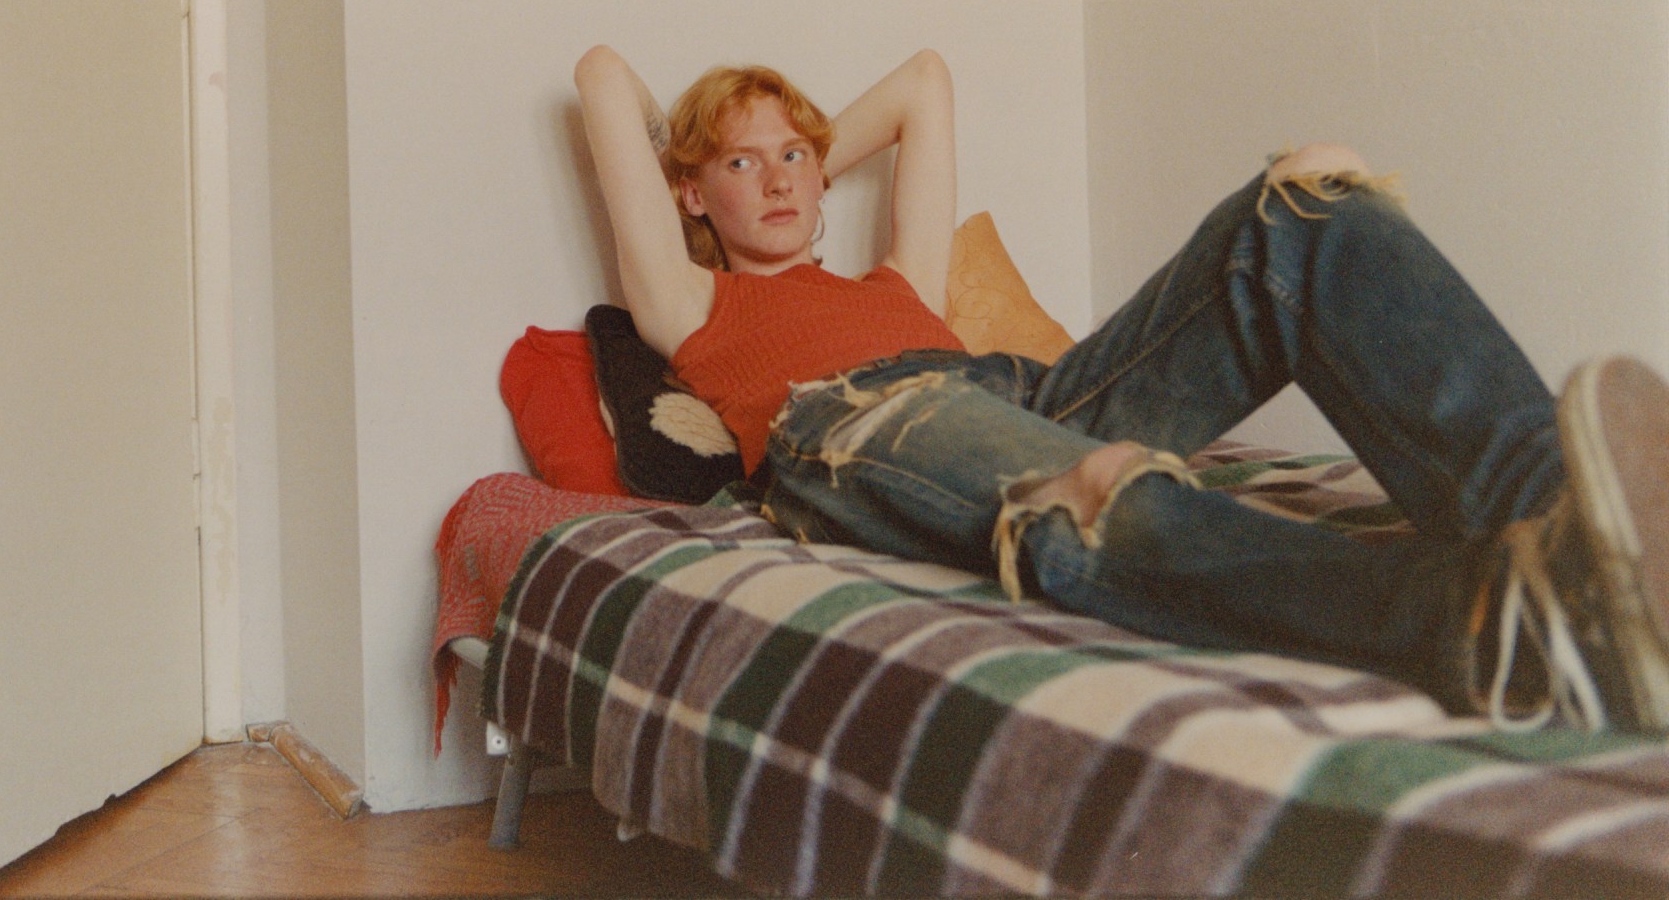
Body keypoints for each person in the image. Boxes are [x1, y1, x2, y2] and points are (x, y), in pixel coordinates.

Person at [573, 43, 1669, 733]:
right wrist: (721, 160)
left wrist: (788, 147)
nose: (775, 179)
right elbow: (602, 75)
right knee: (1091, 496)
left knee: (1301, 208)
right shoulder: (687, 300)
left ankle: (1569, 527)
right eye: (738, 163)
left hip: (1009, 386)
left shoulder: (895, 277)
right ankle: (1498, 621)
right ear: (686, 191)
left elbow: (923, 79)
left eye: (794, 158)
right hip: (859, 424)